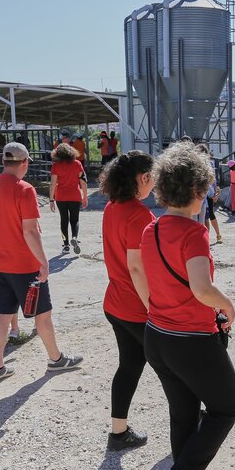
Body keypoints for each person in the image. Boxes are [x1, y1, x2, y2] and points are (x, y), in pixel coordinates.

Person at [140, 141, 235, 470]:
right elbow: (201, 289)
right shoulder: (194, 233)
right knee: (225, 407)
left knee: (183, 411)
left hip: (157, 335)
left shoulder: (151, 229)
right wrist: (227, 304)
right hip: (191, 340)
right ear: (196, 188)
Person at [0, 142, 83, 381]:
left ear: (4, 161)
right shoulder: (24, 189)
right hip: (24, 264)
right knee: (43, 314)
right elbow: (29, 231)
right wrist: (44, 262)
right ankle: (56, 359)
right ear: (25, 163)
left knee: (2, 315)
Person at [100, 151, 156, 451]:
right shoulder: (139, 214)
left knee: (129, 365)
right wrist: (153, 308)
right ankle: (192, 419)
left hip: (115, 303)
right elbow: (136, 267)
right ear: (143, 178)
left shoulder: (112, 207)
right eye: (152, 177)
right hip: (137, 308)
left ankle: (118, 432)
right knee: (174, 368)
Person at [49, 143, 89, 255]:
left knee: (63, 220)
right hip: (75, 196)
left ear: (57, 154)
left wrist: (51, 200)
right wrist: (85, 197)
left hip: (61, 197)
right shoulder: (77, 164)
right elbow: (83, 182)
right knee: (75, 220)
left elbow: (53, 184)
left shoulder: (56, 166)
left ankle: (66, 245)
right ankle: (74, 237)